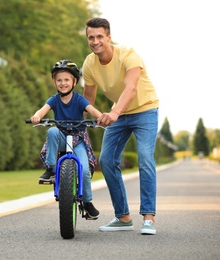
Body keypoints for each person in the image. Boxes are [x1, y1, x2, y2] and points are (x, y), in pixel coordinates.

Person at [82, 17, 159, 235]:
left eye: (99, 37)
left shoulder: (129, 55)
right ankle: (123, 217)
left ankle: (148, 217)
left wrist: (115, 112)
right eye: (91, 37)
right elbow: (88, 97)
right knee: (106, 160)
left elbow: (131, 88)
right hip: (119, 113)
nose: (95, 41)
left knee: (145, 157)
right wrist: (75, 120)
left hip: (145, 110)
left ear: (109, 37)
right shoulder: (89, 63)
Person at [30, 59, 102, 219]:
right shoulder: (54, 99)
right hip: (62, 137)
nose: (63, 83)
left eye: (66, 80)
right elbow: (43, 110)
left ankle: (88, 202)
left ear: (74, 81)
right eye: (59, 80)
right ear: (55, 82)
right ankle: (51, 169)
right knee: (52, 131)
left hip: (78, 139)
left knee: (83, 170)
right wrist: (36, 116)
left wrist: (102, 117)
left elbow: (92, 110)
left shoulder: (79, 99)